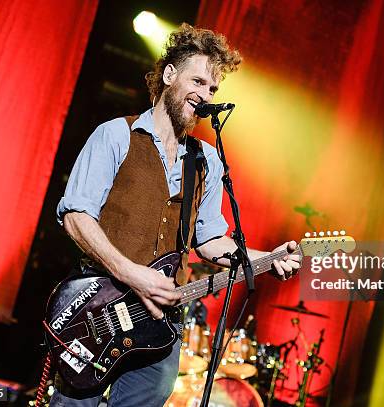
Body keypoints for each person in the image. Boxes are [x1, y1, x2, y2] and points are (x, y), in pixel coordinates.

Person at [49, 23, 301, 407]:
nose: (205, 94)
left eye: (213, 89)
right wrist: (132, 273)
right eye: (197, 81)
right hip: (96, 309)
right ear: (169, 75)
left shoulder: (207, 161)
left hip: (161, 323)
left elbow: (212, 240)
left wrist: (267, 259)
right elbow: (76, 216)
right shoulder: (116, 135)